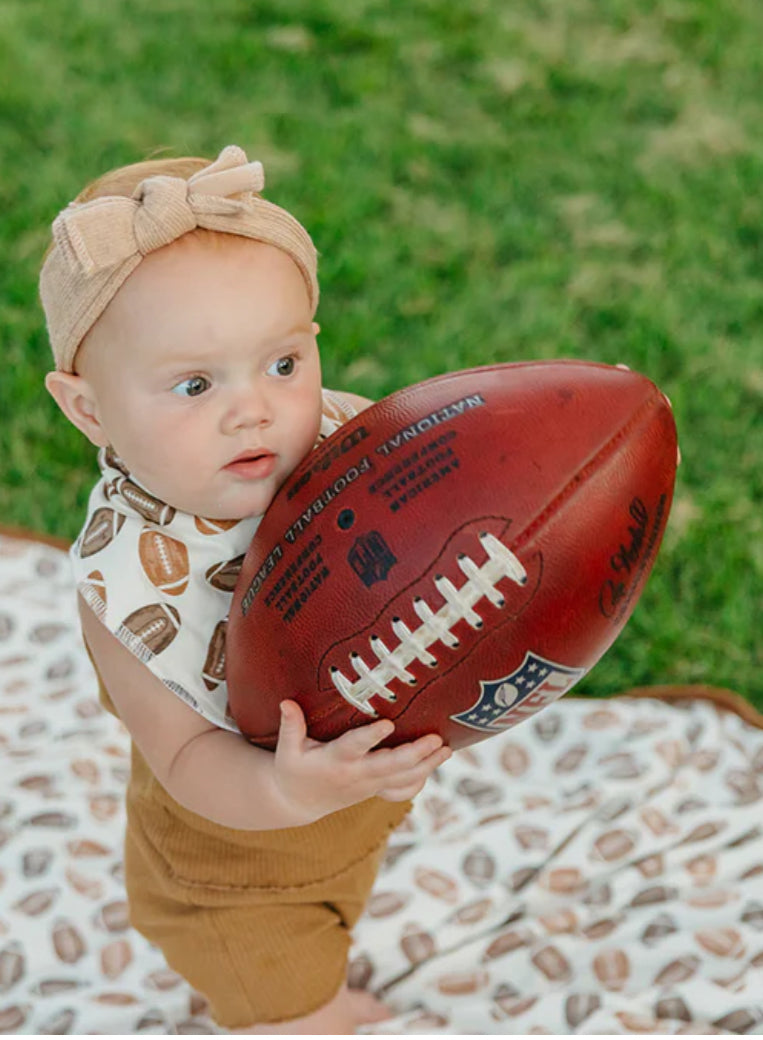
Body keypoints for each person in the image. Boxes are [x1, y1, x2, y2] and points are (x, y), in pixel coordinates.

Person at [40, 144, 451, 1034]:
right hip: (238, 866)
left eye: (282, 364)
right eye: (194, 383)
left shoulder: (335, 442)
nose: (254, 409)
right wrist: (290, 796)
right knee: (285, 1000)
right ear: (89, 411)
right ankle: (295, 1011)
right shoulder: (125, 586)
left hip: (344, 812)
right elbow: (186, 759)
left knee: (333, 909)